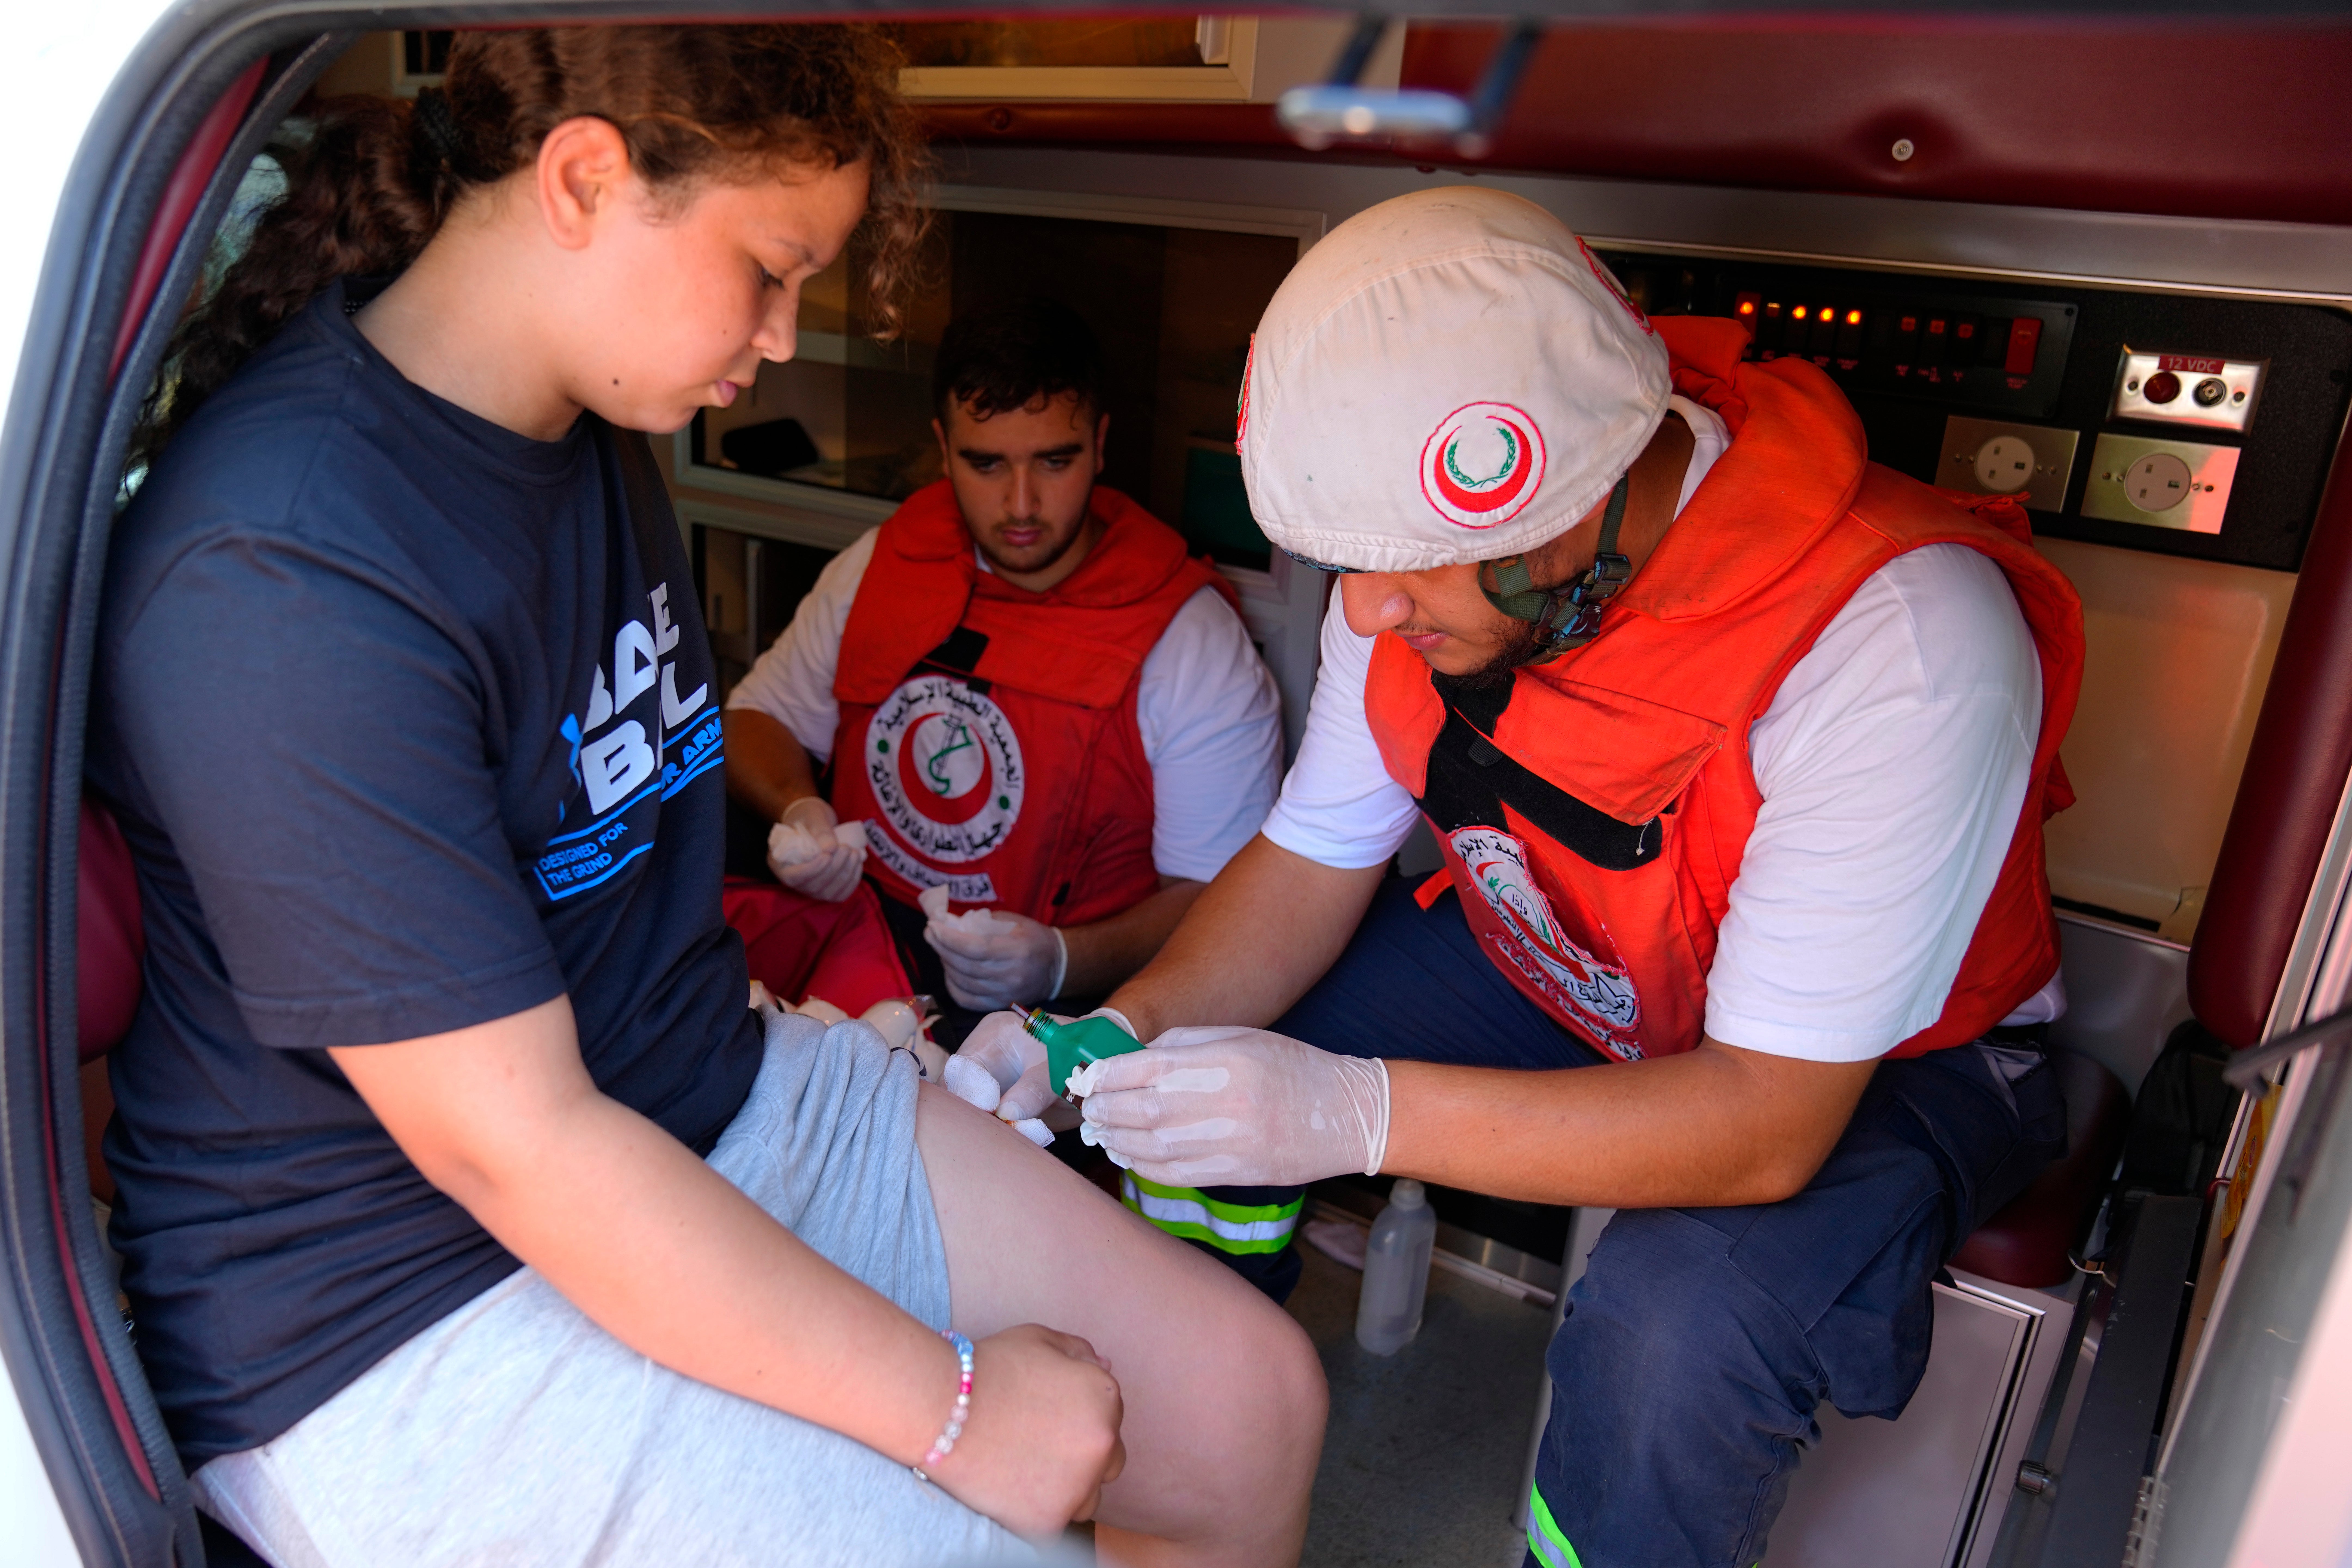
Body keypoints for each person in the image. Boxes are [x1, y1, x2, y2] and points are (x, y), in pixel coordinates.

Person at [88, 27, 1321, 1568]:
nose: (790, 341)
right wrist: (953, 1413)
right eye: (769, 270)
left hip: (698, 1096)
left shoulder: (595, 428)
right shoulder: (288, 570)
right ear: (586, 179)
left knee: (1251, 1406)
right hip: (398, 1295)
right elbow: (512, 1146)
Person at [952, 188, 2084, 1566]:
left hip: (1893, 1064)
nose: (1365, 615)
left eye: (1407, 569)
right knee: (1209, 1052)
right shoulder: (1418, 570)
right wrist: (1113, 1032)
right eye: (1348, 567)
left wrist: (1352, 1115)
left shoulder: (1897, 641)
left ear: (1588, 492)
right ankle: (1185, 1453)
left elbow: (1763, 1122)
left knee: (1681, 1327)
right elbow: (1312, 862)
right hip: (1585, 967)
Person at [722, 298, 1282, 1045]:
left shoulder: (1189, 641)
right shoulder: (887, 561)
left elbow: (1224, 902)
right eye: (986, 464)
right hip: (859, 941)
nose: (1022, 505)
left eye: (1056, 460)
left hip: (1053, 1009)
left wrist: (1061, 962)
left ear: (1101, 443)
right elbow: (756, 717)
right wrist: (798, 810)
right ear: (942, 447)